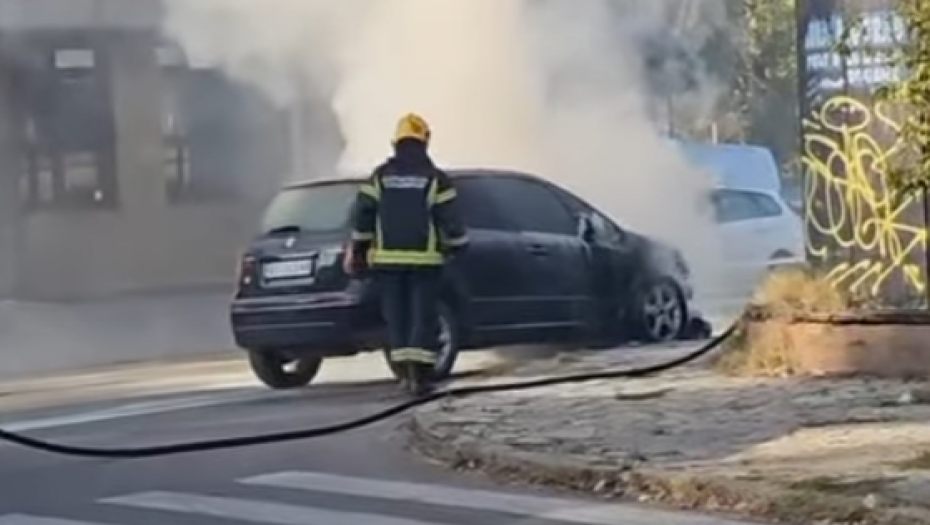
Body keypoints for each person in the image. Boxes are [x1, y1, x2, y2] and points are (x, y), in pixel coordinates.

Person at [343, 113, 469, 395]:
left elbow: (363, 216)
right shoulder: (435, 179)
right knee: (422, 317)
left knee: (397, 318)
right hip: (425, 263)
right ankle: (419, 376)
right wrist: (459, 247)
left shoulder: (380, 178)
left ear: (395, 143)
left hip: (388, 263)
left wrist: (360, 251)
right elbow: (450, 220)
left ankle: (403, 375)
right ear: (424, 142)